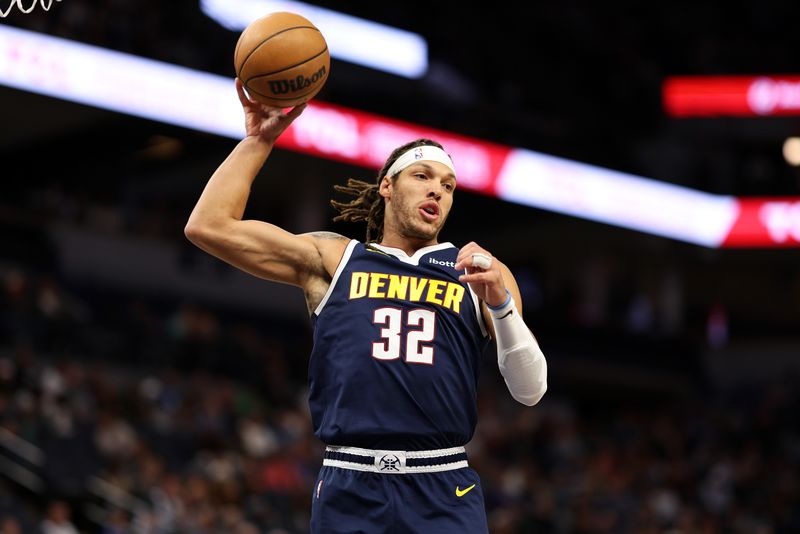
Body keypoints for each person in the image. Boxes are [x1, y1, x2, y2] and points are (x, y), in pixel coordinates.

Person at [185, 79, 548, 533]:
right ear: (387, 187)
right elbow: (209, 226)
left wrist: (500, 307)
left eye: (449, 185)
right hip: (350, 483)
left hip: (443, 486)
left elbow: (531, 390)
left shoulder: (478, 271)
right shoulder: (335, 258)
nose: (437, 190)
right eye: (422, 177)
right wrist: (260, 140)